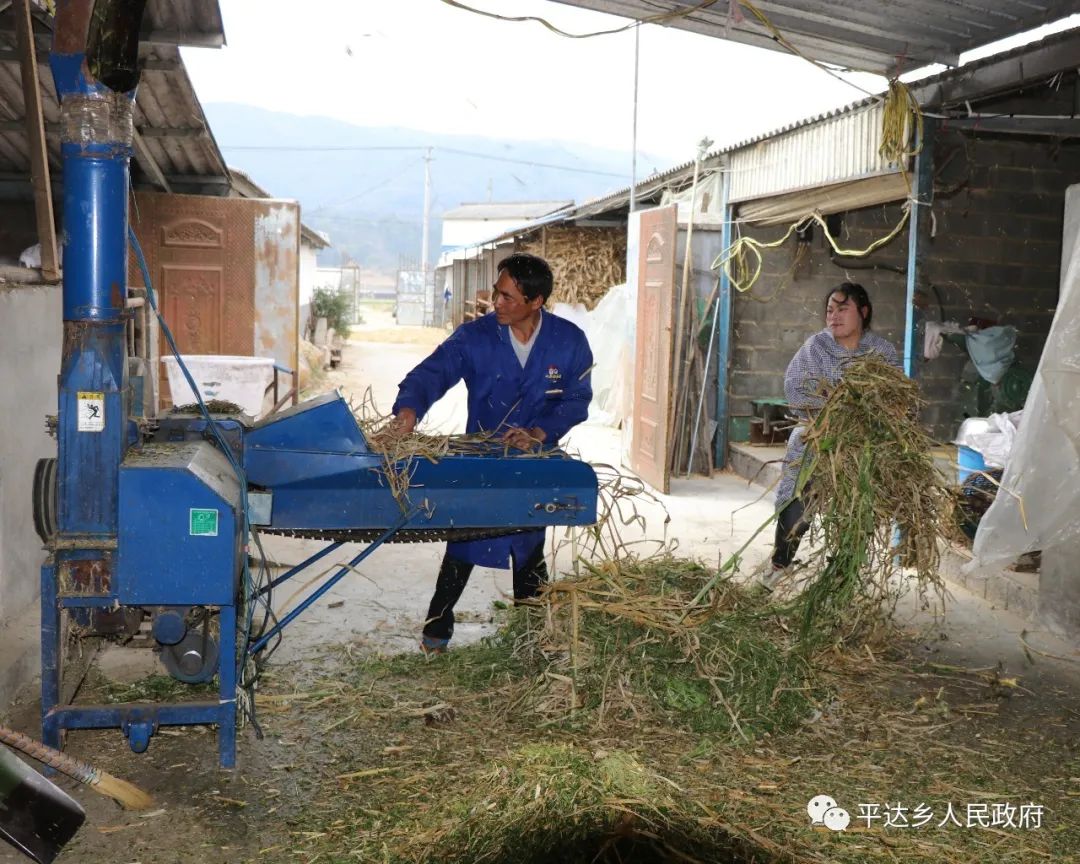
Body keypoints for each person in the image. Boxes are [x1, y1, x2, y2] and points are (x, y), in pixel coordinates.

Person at [385, 253, 593, 651]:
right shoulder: (475, 336)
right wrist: (409, 409)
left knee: (529, 546)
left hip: (533, 462)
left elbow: (577, 399)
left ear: (535, 302)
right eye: (497, 293)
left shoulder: (568, 341)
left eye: (507, 297)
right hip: (479, 458)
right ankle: (436, 628)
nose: (496, 302)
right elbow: (432, 372)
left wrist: (539, 431)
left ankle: (531, 638)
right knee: (464, 541)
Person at [760, 282, 900, 590]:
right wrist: (830, 409)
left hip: (863, 444)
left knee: (858, 504)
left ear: (863, 312)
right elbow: (794, 388)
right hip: (816, 436)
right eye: (829, 311)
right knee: (798, 497)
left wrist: (865, 415)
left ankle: (841, 576)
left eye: (842, 309)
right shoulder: (816, 347)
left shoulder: (881, 352)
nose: (833, 317)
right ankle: (779, 563)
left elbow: (896, 400)